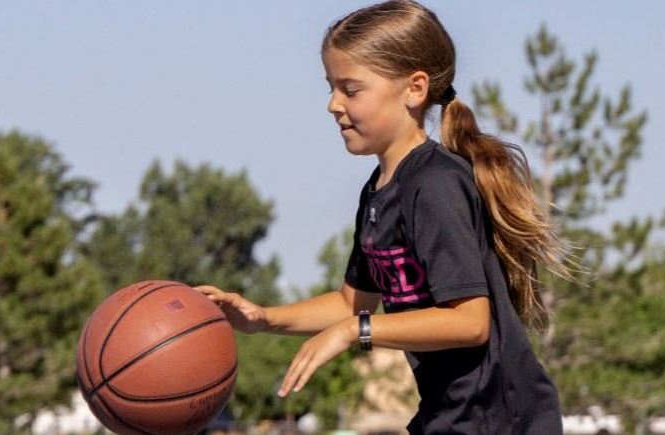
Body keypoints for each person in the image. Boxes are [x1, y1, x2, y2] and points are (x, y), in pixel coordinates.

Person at [193, 1, 571, 432]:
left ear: (414, 89)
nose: (333, 104)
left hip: (503, 420)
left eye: (350, 90)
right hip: (449, 416)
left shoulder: (436, 185)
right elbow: (349, 302)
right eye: (331, 87)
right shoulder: (378, 191)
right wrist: (263, 319)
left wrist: (356, 331)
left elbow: (470, 321)